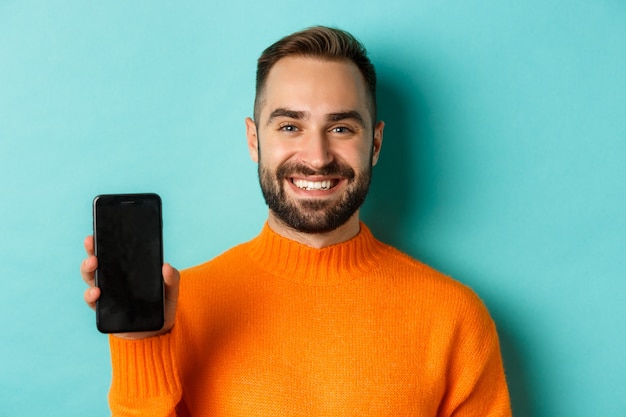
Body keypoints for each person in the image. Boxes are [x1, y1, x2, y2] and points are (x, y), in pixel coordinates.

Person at [81, 26, 512, 416]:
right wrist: (140, 346)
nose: (317, 157)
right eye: (290, 126)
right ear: (254, 140)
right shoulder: (179, 311)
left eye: (341, 128)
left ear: (376, 144)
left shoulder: (454, 318)